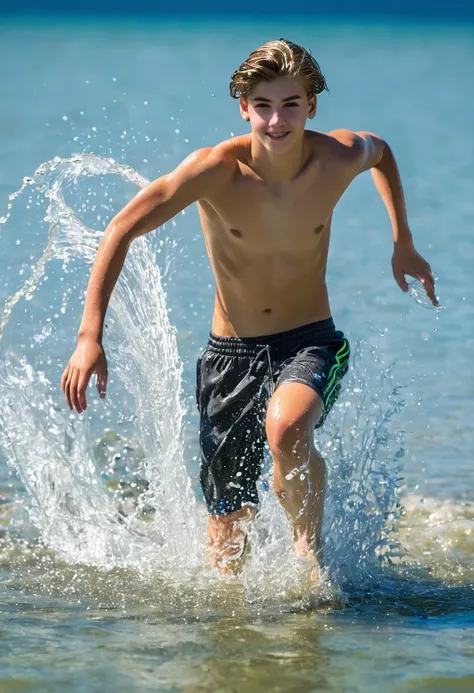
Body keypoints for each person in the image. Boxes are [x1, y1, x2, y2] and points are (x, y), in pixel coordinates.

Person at [61, 39, 438, 575]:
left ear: (312, 106)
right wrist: (88, 336)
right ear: (244, 107)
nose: (276, 120)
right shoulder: (216, 170)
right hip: (229, 357)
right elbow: (122, 228)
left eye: (290, 104)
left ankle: (310, 558)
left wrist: (403, 240)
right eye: (263, 105)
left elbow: (382, 153)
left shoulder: (336, 157)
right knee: (226, 547)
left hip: (310, 340)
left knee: (286, 430)